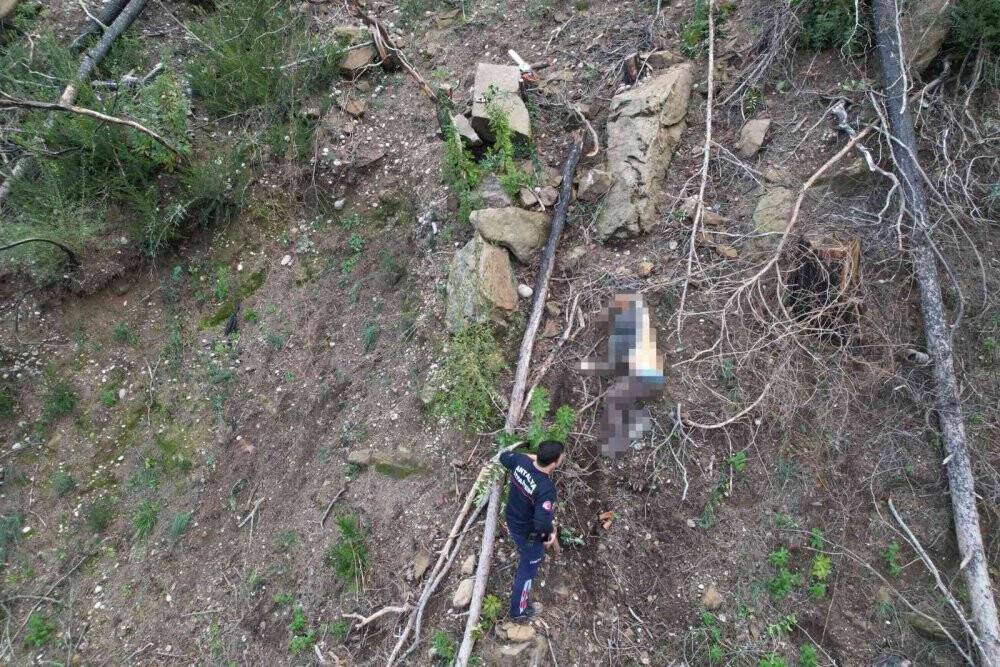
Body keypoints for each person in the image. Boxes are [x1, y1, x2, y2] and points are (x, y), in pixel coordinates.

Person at [578, 293, 665, 456]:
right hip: (646, 378)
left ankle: (614, 445)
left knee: (617, 396)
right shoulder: (636, 321)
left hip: (646, 380)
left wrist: (590, 366)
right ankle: (634, 419)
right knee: (621, 391)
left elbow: (615, 366)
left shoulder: (626, 335)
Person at [498, 440, 565, 621]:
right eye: (561, 457)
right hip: (526, 532)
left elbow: (503, 457)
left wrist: (531, 459)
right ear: (554, 463)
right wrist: (548, 536)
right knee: (528, 567)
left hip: (512, 518)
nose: (563, 457)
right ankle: (518, 611)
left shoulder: (521, 461)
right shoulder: (546, 489)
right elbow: (541, 523)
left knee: (530, 549)